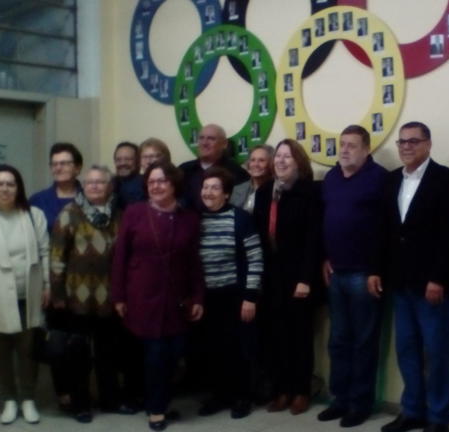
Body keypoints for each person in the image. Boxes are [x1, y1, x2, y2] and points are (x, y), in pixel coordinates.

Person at [370, 122, 449, 432]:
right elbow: (383, 231)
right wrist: (375, 270)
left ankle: (438, 417)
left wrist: (438, 278)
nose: (407, 147)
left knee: (436, 353)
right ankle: (412, 411)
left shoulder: (447, 180)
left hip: (431, 285)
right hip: (399, 282)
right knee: (407, 351)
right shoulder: (391, 180)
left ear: (428, 144)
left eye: (413, 141)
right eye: (402, 142)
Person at [111, 161, 205, 431]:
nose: (156, 186)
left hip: (177, 299)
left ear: (174, 184)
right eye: (151, 182)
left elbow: (193, 262)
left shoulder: (189, 218)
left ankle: (160, 401)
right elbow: (120, 257)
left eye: (161, 180)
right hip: (142, 297)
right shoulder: (134, 212)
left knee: (175, 354)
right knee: (154, 355)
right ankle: (155, 409)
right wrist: (118, 296)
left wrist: (198, 297)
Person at [0, 165, 50, 425]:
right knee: (0, 350)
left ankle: (27, 398)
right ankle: (8, 399)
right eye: (0, 184)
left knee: (28, 350)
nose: (5, 189)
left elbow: (45, 252)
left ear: (18, 188)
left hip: (29, 294)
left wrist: (47, 285)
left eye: (11, 184)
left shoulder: (33, 215)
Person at [318, 125, 388, 428]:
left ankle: (360, 404)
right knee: (338, 341)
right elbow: (325, 221)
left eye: (352, 145)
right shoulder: (331, 178)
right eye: (342, 144)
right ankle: (340, 399)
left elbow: (387, 229)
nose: (344, 150)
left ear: (366, 149)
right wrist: (324, 258)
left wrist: (376, 268)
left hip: (364, 274)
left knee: (363, 342)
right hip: (336, 271)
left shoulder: (380, 179)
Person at [252, 139, 322, 416]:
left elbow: (313, 240)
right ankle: (281, 390)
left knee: (299, 337)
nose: (280, 161)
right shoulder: (265, 191)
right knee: (275, 335)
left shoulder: (310, 192)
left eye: (287, 157)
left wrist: (305, 279)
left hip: (298, 276)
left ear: (299, 162)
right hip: (270, 276)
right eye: (278, 156)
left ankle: (301, 390)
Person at [49, 165, 124, 423]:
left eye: (100, 182)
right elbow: (57, 258)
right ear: (84, 186)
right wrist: (58, 295)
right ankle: (81, 404)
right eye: (89, 182)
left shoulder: (119, 215)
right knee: (77, 355)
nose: (94, 186)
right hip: (75, 297)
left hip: (109, 297)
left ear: (109, 186)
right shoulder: (69, 214)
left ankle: (110, 400)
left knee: (108, 353)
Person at [194, 167, 264, 419]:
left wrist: (250, 296)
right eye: (205, 187)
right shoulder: (196, 219)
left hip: (235, 295)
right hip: (206, 298)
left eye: (215, 188)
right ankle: (219, 395)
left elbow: (256, 259)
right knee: (213, 349)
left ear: (226, 194)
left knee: (240, 350)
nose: (208, 192)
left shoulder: (240, 218)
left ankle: (242, 397)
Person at [29, 142, 83, 413]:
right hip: (55, 283)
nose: (59, 167)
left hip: (88, 282)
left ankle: (84, 390)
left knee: (83, 339)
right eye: (55, 163)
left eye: (65, 163)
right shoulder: (38, 201)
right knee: (58, 339)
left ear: (77, 167)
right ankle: (63, 392)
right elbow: (31, 244)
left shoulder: (92, 194)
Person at [179, 124, 249, 211]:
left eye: (211, 139)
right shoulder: (183, 170)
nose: (204, 143)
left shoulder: (237, 172)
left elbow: (239, 205)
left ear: (224, 144)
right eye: (201, 138)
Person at [231, 145, 274, 213]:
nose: (256, 164)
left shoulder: (277, 191)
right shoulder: (237, 189)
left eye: (261, 160)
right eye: (252, 160)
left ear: (271, 164)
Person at [113, 141, 145, 209]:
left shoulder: (146, 184)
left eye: (128, 159)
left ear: (138, 161)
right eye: (118, 160)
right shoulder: (110, 184)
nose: (123, 163)